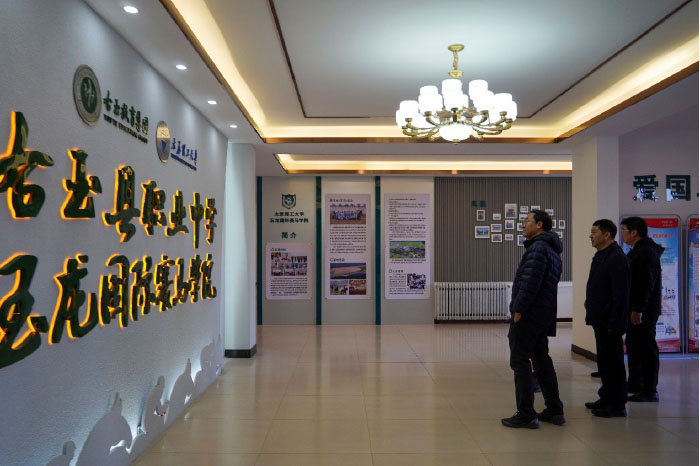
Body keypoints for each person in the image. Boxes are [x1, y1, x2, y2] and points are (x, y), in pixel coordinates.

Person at [501, 210, 565, 429]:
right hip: (543, 313)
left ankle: (526, 414)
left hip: (529, 314)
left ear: (539, 225)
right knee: (541, 359)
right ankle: (555, 409)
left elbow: (530, 282)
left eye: (527, 221)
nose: (523, 225)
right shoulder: (550, 248)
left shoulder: (538, 248)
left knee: (520, 361)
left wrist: (519, 309)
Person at [584, 219, 631, 417]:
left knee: (613, 363)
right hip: (600, 318)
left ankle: (617, 404)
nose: (590, 235)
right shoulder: (602, 255)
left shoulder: (616, 258)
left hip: (610, 321)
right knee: (604, 362)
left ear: (606, 235)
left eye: (594, 232)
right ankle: (606, 397)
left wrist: (615, 322)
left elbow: (620, 295)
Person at [621, 216, 663, 402]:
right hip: (636, 308)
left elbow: (646, 283)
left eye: (624, 230)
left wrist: (638, 309)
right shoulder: (638, 250)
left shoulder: (646, 252)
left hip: (644, 310)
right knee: (634, 346)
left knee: (646, 348)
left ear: (634, 232)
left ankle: (649, 389)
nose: (622, 234)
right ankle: (635, 382)